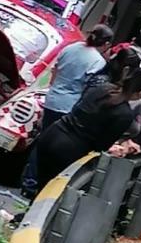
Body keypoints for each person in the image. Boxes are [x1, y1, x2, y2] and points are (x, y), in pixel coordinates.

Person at [33, 52, 141, 190]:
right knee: (51, 193)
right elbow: (101, 145)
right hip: (70, 149)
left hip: (53, 132)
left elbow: (79, 106)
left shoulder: (103, 88)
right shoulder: (124, 114)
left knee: (41, 186)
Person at [20, 24, 114, 196]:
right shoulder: (98, 62)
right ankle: (41, 186)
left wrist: (54, 88)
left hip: (52, 99)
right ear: (106, 44)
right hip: (69, 106)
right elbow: (89, 88)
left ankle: (29, 181)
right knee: (56, 147)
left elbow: (55, 71)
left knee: (42, 141)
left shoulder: (71, 48)